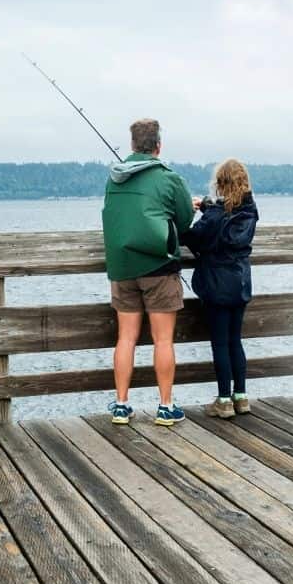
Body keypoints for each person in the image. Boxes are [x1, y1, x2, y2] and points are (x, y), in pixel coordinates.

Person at [101, 118, 196, 425]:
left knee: (125, 338)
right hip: (159, 266)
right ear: (158, 145)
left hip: (122, 267)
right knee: (163, 340)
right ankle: (165, 406)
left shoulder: (114, 179)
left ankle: (120, 404)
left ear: (131, 145)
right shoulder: (169, 179)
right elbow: (183, 223)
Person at [183, 158, 258, 418]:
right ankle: (241, 396)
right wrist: (205, 205)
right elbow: (225, 215)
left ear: (220, 184)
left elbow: (192, 236)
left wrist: (190, 212)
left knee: (220, 344)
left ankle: (224, 400)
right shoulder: (250, 211)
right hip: (240, 283)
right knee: (235, 340)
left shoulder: (214, 216)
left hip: (216, 285)